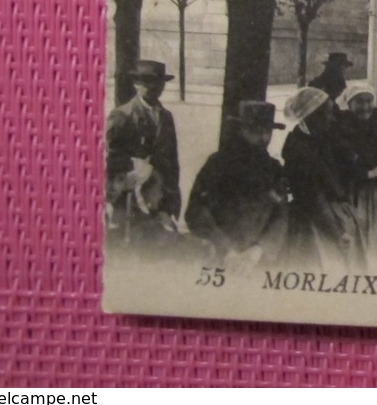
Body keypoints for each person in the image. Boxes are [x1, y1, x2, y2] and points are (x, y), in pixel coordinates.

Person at [184, 101, 290, 272]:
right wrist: (226, 248)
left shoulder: (274, 169)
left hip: (259, 262)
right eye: (255, 130)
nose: (263, 137)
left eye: (267, 131)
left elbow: (281, 215)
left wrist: (259, 250)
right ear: (241, 130)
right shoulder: (217, 164)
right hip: (220, 258)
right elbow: (195, 212)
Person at [105, 60, 182, 248]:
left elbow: (172, 162)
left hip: (160, 201)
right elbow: (112, 159)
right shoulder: (122, 115)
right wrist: (140, 171)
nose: (154, 87)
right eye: (147, 82)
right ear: (136, 84)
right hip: (130, 201)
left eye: (159, 82)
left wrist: (170, 203)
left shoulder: (166, 117)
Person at [280, 86, 359, 272]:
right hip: (316, 224)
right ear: (311, 115)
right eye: (327, 113)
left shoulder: (320, 140)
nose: (332, 118)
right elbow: (312, 196)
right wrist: (338, 233)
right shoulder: (298, 148)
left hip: (330, 215)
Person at [336, 86, 377, 273]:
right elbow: (341, 164)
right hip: (356, 194)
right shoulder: (342, 130)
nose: (365, 107)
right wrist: (367, 173)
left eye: (368, 101)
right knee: (360, 241)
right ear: (349, 104)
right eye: (359, 102)